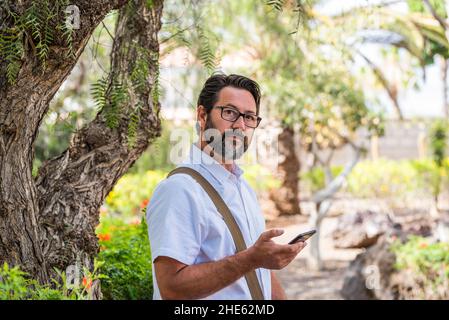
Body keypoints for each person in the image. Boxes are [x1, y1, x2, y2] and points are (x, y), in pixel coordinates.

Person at [146, 73, 306, 300]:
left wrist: (257, 259)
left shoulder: (244, 188)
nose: (240, 125)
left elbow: (260, 274)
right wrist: (252, 258)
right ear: (202, 115)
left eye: (250, 117)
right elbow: (171, 288)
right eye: (230, 113)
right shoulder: (180, 190)